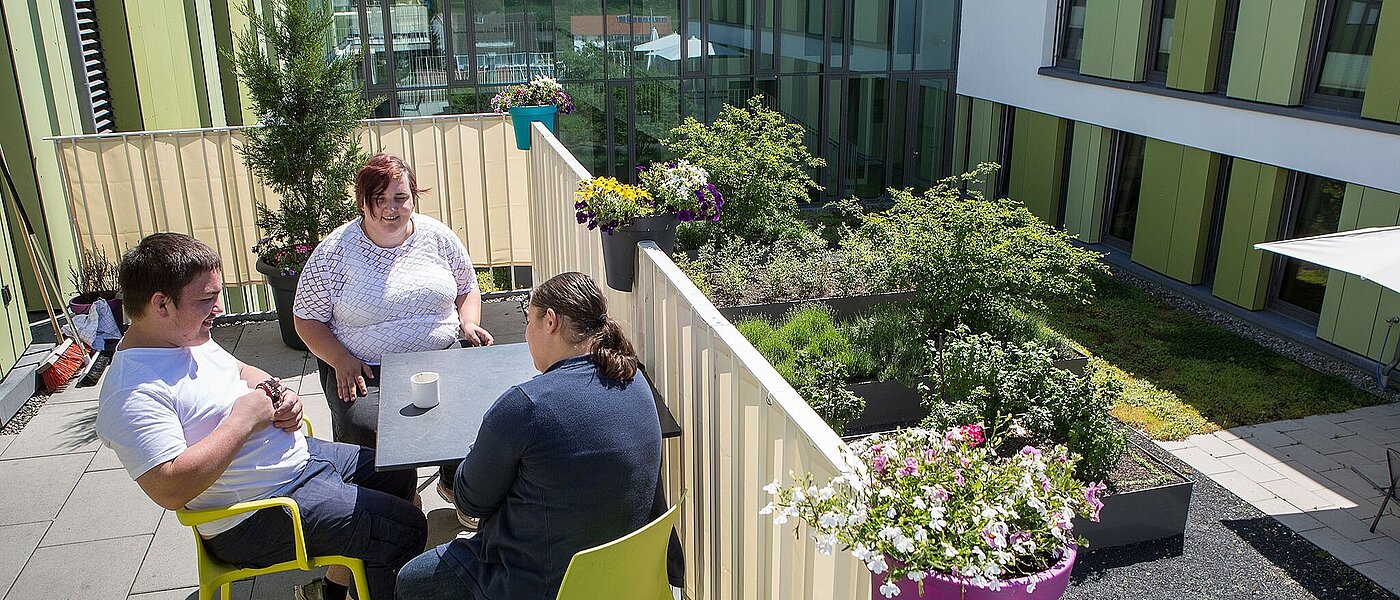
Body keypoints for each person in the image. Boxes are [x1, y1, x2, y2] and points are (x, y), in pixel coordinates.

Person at [96, 233, 427, 600]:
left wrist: (277, 393)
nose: (219, 308)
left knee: (397, 470)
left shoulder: (183, 337)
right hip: (252, 515)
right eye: (207, 299)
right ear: (161, 305)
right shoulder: (133, 391)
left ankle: (333, 589)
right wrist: (243, 420)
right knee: (404, 530)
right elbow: (170, 488)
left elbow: (240, 370)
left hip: (295, 461)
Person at [395, 272, 664, 600]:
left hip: (542, 583)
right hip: (624, 573)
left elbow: (469, 500)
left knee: (410, 580)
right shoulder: (634, 381)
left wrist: (479, 451)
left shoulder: (525, 405)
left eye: (528, 321)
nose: (526, 334)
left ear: (550, 321)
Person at [294, 153, 492, 508]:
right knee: (369, 426)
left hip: (441, 356)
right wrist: (339, 358)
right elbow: (306, 318)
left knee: (476, 410)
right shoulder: (334, 252)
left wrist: (468, 322)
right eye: (379, 199)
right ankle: (400, 501)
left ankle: (456, 484)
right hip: (369, 368)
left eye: (400, 197)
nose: (391, 208)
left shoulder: (438, 237)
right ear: (362, 202)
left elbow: (467, 287)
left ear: (414, 197)